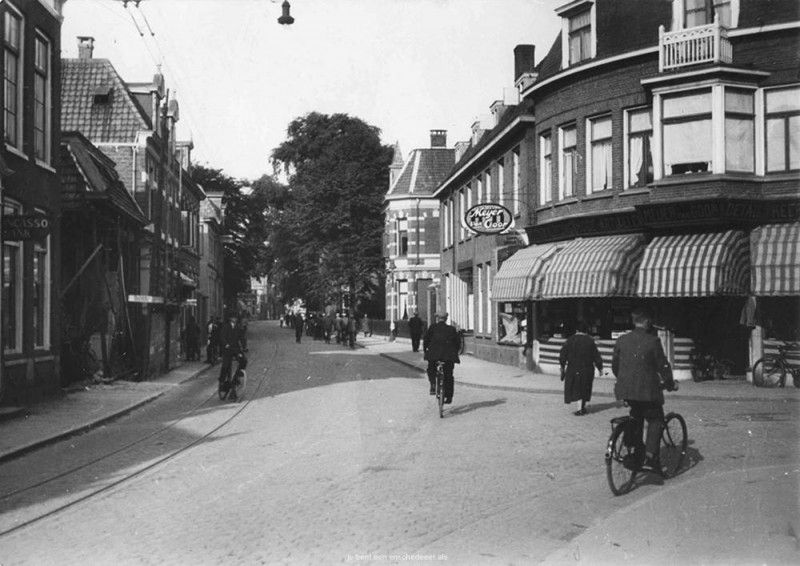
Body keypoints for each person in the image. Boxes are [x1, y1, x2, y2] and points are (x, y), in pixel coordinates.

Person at [612, 308, 676, 472]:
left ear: (634, 322)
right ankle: (649, 456)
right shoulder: (652, 341)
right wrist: (670, 384)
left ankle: (634, 452)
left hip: (625, 391)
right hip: (647, 392)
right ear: (647, 322)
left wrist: (624, 381)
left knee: (636, 417)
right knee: (655, 419)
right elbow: (663, 366)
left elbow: (615, 367)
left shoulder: (622, 340)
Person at [559, 321, 603, 416]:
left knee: (576, 387)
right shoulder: (590, 341)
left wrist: (562, 367)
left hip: (573, 368)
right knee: (585, 386)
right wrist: (600, 368)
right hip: (587, 368)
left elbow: (562, 355)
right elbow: (596, 356)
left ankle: (580, 408)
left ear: (576, 330)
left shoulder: (570, 340)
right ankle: (582, 407)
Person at [423, 310, 460, 404]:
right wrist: (455, 352)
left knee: (431, 368)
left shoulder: (433, 327)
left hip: (434, 354)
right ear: (446, 319)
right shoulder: (451, 329)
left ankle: (432, 384)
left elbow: (426, 340)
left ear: (437, 318)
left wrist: (425, 351)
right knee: (449, 375)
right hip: (448, 356)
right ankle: (449, 396)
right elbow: (457, 343)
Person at [219, 311, 245, 386]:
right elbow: (222, 337)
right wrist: (226, 344)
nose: (235, 319)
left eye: (236, 318)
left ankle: (238, 375)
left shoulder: (238, 327)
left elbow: (242, 337)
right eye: (233, 318)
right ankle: (222, 380)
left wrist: (244, 346)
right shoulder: (226, 327)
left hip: (236, 349)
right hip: (227, 349)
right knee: (226, 365)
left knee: (243, 360)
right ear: (230, 319)